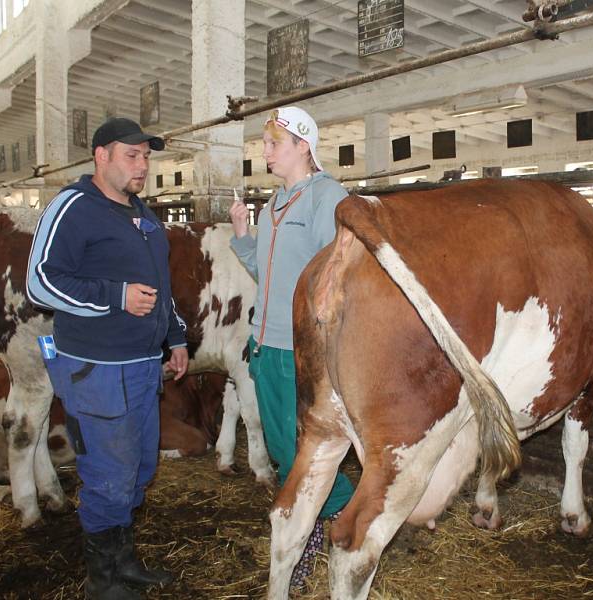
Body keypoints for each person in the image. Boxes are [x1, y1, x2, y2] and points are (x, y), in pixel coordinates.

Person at [26, 117, 188, 600]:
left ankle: (124, 561)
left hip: (141, 366)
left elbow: (159, 286)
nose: (143, 166)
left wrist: (175, 337)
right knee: (107, 475)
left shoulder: (144, 216)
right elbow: (40, 282)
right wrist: (114, 297)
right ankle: (103, 582)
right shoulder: (73, 207)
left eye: (146, 156)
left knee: (137, 470)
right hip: (96, 368)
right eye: (132, 156)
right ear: (101, 156)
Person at [228, 106, 355, 589]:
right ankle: (323, 520)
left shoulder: (328, 199)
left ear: (304, 146)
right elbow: (268, 278)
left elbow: (337, 278)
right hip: (265, 344)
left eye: (273, 142)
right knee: (287, 452)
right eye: (264, 143)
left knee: (293, 451)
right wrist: (244, 238)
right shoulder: (272, 205)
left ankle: (344, 511)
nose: (265, 151)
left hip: (300, 349)